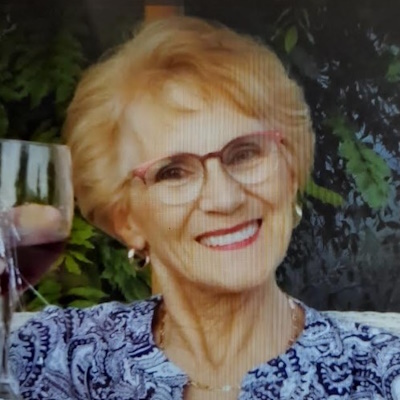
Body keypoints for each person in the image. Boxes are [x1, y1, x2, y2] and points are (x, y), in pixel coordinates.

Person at [9, 16, 400, 400]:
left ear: (290, 172)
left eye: (245, 153)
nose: (225, 198)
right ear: (127, 222)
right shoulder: (58, 360)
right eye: (173, 172)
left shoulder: (380, 376)